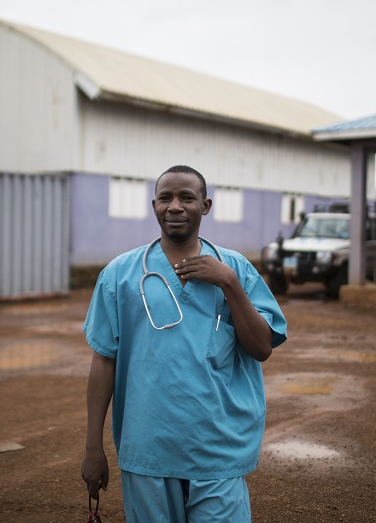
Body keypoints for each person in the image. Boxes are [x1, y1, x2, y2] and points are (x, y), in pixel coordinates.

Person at [81, 165, 288, 522]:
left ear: (205, 206)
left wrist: (230, 285)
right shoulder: (120, 274)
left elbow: (261, 348)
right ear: (154, 205)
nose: (175, 206)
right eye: (166, 198)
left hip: (217, 448)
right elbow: (104, 362)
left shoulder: (234, 268)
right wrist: (92, 446)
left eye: (186, 198)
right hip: (149, 449)